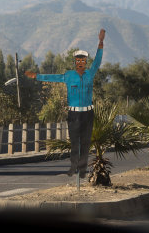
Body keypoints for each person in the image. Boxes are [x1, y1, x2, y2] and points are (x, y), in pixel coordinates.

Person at [25, 28, 105, 178]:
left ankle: (82, 170)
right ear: (75, 62)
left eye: (83, 61)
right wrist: (36, 76)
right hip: (74, 113)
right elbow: (53, 77)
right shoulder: (69, 76)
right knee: (75, 141)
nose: (81, 63)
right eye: (78, 60)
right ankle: (74, 165)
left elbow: (98, 61)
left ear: (85, 62)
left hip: (88, 113)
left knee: (85, 142)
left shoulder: (90, 74)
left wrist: (100, 43)